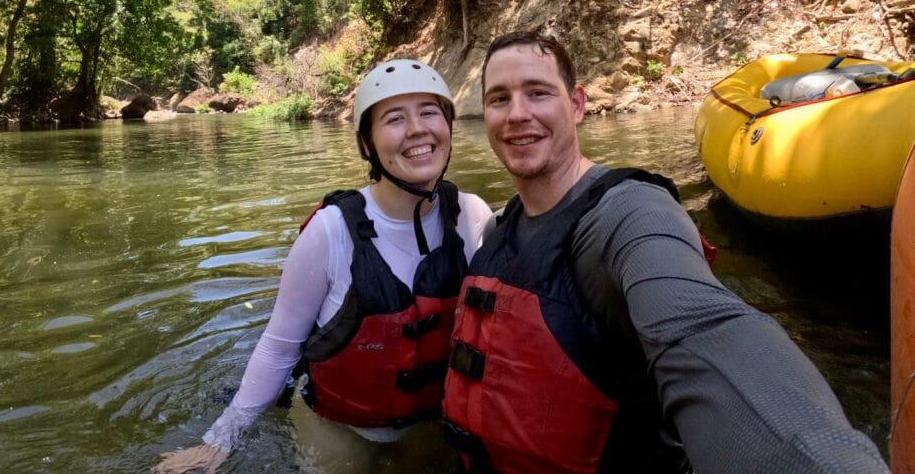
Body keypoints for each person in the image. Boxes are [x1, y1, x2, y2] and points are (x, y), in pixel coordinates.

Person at [442, 30, 890, 474]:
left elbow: (705, 328)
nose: (517, 114)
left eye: (538, 93)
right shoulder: (501, 225)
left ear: (576, 104)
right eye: (499, 99)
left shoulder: (631, 212)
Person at [154, 59, 493, 474]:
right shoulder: (330, 232)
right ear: (365, 145)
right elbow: (280, 346)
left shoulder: (473, 217)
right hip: (338, 425)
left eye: (429, 111)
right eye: (394, 118)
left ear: (448, 126)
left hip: (430, 424)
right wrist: (220, 440)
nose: (417, 129)